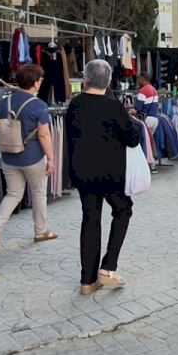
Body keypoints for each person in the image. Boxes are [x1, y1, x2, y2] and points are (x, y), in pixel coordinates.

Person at [66, 60, 142, 295]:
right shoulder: (113, 107)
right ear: (108, 81)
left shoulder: (75, 105)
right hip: (110, 174)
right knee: (123, 210)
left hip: (82, 172)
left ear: (85, 80)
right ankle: (108, 267)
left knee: (90, 219)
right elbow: (132, 138)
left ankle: (87, 280)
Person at [0, 64, 57, 252]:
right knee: (38, 193)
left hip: (9, 156)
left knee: (13, 194)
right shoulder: (39, 105)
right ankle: (40, 231)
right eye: (40, 80)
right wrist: (51, 158)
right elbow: (44, 135)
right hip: (32, 156)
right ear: (34, 82)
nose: (40, 83)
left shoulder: (5, 102)